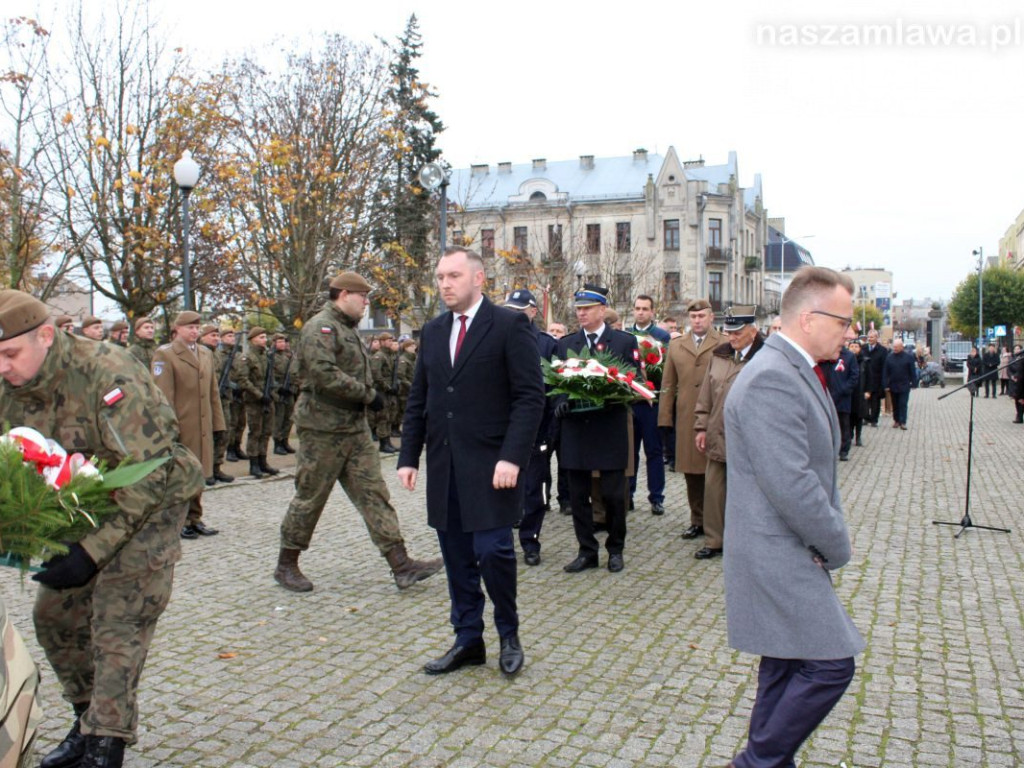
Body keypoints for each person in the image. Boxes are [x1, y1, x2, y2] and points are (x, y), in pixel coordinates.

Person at [0, 289, 205, 768]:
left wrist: (91, 554)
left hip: (150, 501)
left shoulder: (108, 371)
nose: (1, 368)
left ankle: (104, 746)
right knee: (54, 617)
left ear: (46, 336)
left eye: (9, 354)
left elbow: (148, 470)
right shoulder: (8, 385)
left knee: (118, 621)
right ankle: (86, 719)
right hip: (80, 502)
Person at [722, 266, 864, 768]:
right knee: (830, 664)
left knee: (784, 663)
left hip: (784, 547)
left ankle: (769, 761)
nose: (850, 332)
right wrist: (837, 543)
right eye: (844, 322)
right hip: (777, 550)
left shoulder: (790, 367)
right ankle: (757, 762)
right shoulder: (774, 378)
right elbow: (794, 484)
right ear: (809, 318)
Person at [398, 248, 544, 677]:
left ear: (478, 278)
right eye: (440, 276)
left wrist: (513, 458)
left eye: (454, 276)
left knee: (493, 551)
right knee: (457, 556)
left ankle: (509, 634)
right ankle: (467, 639)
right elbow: (419, 399)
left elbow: (529, 397)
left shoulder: (508, 325)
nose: (444, 284)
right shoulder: (433, 329)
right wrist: (409, 456)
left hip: (493, 466)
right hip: (445, 467)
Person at [274, 272, 443, 593]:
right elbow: (323, 374)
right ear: (343, 294)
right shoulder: (320, 328)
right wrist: (368, 395)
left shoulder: (345, 330)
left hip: (353, 428)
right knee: (310, 497)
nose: (367, 303)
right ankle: (286, 564)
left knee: (374, 493)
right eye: (362, 296)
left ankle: (401, 564)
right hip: (322, 429)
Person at [556, 284, 639, 574]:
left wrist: (614, 392)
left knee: (615, 495)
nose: (581, 314)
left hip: (609, 428)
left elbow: (635, 380)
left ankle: (615, 549)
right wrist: (563, 400)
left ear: (602, 310)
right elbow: (555, 381)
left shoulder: (623, 342)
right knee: (578, 496)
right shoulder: (566, 343)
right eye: (578, 309)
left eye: (587, 309)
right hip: (576, 430)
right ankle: (586, 550)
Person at [692, 305, 763, 561]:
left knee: (747, 493)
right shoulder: (719, 355)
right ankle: (714, 540)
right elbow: (706, 396)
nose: (731, 337)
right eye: (729, 331)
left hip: (749, 439)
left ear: (752, 331)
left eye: (737, 332)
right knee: (714, 490)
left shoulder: (763, 358)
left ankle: (746, 541)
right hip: (717, 434)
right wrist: (700, 426)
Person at [152, 311, 226, 539]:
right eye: (189, 327)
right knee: (181, 475)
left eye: (197, 327)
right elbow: (162, 395)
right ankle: (180, 520)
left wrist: (218, 422)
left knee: (199, 472)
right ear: (177, 329)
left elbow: (213, 391)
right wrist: (168, 428)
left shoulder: (204, 353)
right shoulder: (165, 354)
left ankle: (195, 517)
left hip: (202, 424)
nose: (194, 331)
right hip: (181, 424)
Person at [658, 299, 725, 541]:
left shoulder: (724, 343)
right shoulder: (676, 345)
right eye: (693, 317)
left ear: (711, 318)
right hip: (687, 417)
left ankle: (716, 522)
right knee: (691, 473)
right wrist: (665, 418)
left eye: (702, 316)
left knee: (715, 473)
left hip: (717, 416)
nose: (697, 321)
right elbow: (668, 384)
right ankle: (696, 520)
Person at [503, 289, 557, 566]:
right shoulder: (495, 339)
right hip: (502, 428)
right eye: (510, 310)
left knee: (534, 490)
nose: (513, 315)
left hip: (536, 430)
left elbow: (555, 388)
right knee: (500, 488)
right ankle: (501, 542)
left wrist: (550, 429)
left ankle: (530, 541)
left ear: (533, 312)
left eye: (519, 311)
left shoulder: (546, 344)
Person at [627, 294, 670, 515]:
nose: (641, 312)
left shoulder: (662, 336)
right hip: (630, 402)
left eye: (645, 308)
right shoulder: (625, 335)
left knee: (653, 451)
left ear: (652, 311)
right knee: (630, 452)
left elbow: (668, 369)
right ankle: (628, 494)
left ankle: (656, 497)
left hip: (652, 403)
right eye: (637, 308)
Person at [234, 327, 279, 478]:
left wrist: (272, 394)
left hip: (268, 398)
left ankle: (263, 461)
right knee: (255, 432)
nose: (265, 340)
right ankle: (254, 464)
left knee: (267, 431)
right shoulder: (247, 357)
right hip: (254, 400)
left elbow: (270, 378)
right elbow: (243, 380)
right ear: (252, 339)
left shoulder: (266, 356)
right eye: (261, 337)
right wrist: (259, 395)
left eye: (265, 337)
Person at [827, 341, 860, 460]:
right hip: (829, 396)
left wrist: (844, 389)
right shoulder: (827, 354)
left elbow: (854, 375)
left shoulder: (849, 356)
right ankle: (831, 448)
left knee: (844, 424)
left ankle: (844, 450)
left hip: (843, 398)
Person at [271, 334, 298, 455]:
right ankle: (277, 443)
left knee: (289, 417)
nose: (283, 344)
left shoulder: (289, 357)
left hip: (289, 391)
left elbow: (294, 374)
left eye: (284, 342)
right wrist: (278, 388)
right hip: (278, 392)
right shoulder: (271, 357)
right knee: (279, 418)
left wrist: (293, 388)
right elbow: (270, 377)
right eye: (279, 342)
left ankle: (285, 441)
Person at [882, 338, 918, 430]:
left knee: (903, 403)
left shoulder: (908, 357)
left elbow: (912, 371)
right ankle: (896, 420)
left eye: (897, 347)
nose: (895, 349)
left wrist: (914, 383)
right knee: (895, 404)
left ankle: (903, 422)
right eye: (894, 347)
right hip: (893, 384)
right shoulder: (889, 357)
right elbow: (885, 372)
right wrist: (885, 385)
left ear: (902, 347)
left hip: (904, 384)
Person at [862, 329, 888, 425]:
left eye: (872, 337)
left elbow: (885, 367)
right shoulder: (863, 348)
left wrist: (884, 381)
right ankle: (866, 418)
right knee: (865, 401)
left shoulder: (882, 350)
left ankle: (874, 420)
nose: (870, 339)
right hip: (865, 379)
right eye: (868, 337)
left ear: (876, 338)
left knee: (875, 402)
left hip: (877, 379)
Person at [848, 340, 868, 447]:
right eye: (852, 346)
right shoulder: (846, 360)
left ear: (860, 348)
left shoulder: (864, 361)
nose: (854, 348)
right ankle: (849, 435)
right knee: (850, 415)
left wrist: (868, 391)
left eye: (856, 346)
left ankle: (858, 436)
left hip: (861, 392)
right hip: (850, 392)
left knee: (859, 416)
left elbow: (869, 377)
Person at [1009, 345, 1023, 423]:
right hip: (1016, 382)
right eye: (1015, 349)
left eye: (1018, 349)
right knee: (1017, 400)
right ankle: (1019, 416)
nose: (1016, 350)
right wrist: (1012, 376)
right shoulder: (1013, 359)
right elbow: (1009, 369)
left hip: (1020, 380)